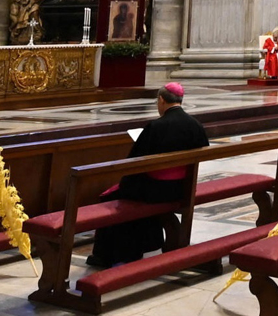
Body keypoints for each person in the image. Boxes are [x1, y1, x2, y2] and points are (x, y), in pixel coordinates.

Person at [87, 84, 209, 268]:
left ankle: (110, 255)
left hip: (156, 190)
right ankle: (149, 242)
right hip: (181, 188)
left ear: (161, 100)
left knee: (115, 198)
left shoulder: (156, 126)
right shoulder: (195, 125)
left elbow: (134, 161)